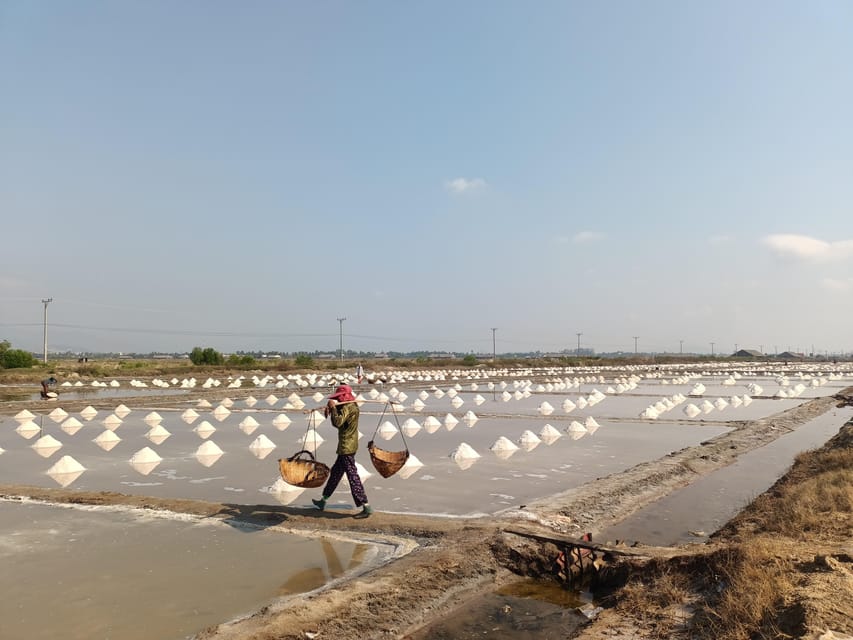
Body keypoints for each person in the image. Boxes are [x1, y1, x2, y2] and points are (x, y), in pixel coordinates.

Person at [312, 384, 372, 518]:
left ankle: (366, 506)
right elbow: (341, 414)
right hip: (347, 445)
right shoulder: (352, 406)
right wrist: (332, 407)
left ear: (344, 396)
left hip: (347, 447)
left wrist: (333, 408)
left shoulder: (349, 407)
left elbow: (338, 422)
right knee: (336, 473)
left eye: (339, 397)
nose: (338, 400)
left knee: (352, 476)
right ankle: (323, 501)